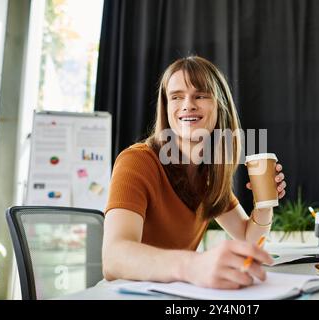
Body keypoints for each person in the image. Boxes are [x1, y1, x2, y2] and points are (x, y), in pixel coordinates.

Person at [102, 56, 287, 289]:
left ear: (220, 106)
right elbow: (113, 258)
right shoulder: (137, 161)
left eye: (200, 95)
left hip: (177, 297)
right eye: (176, 97)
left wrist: (265, 202)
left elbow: (250, 239)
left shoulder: (207, 177)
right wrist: (193, 265)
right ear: (166, 108)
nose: (188, 104)